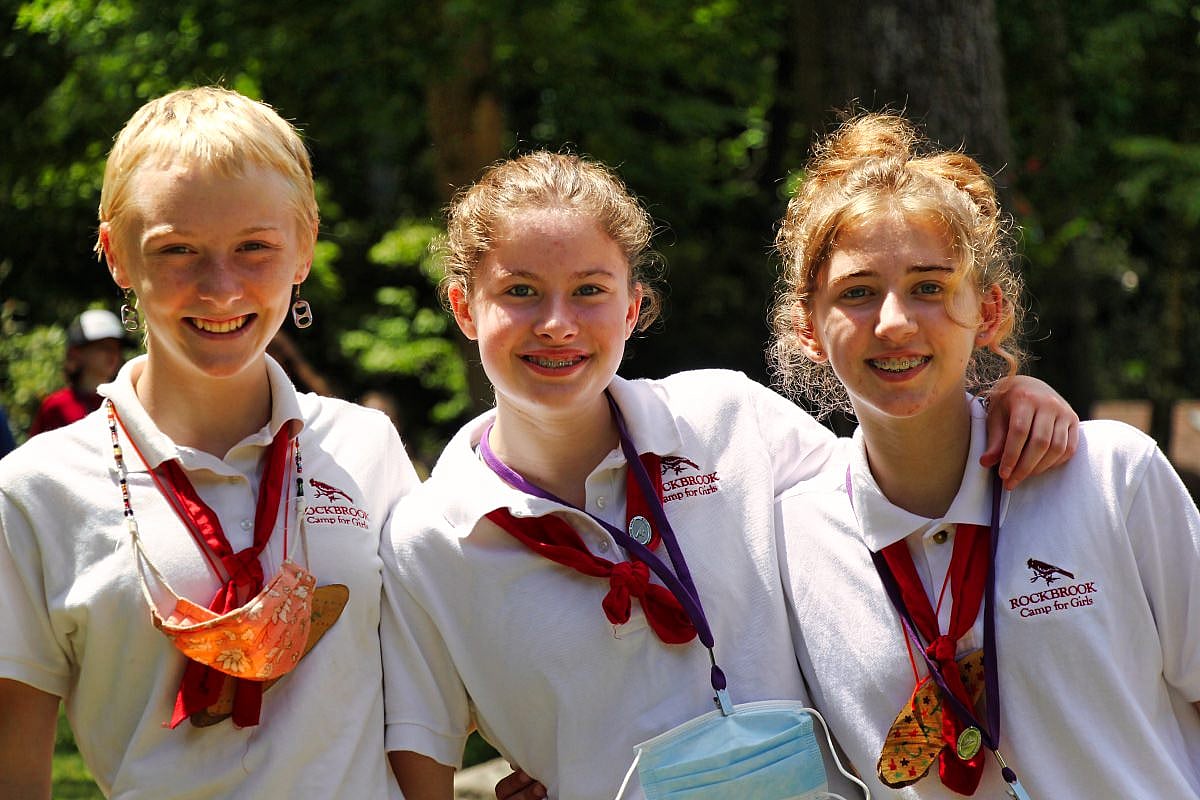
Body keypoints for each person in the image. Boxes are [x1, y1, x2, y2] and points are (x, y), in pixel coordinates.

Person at [379, 151, 1077, 800]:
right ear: (464, 308)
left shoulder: (730, 420)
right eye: (521, 292)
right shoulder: (428, 539)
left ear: (632, 306)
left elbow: (892, 485)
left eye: (589, 289)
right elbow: (421, 748)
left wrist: (1002, 399)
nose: (557, 324)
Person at [0, 86, 419, 799]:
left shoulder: (366, 447)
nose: (221, 289)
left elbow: (430, 694)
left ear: (305, 246)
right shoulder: (36, 490)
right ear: (116, 255)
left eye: (254, 247)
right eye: (178, 250)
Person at [771, 112, 1200, 797]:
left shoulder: (1111, 475)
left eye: (929, 287)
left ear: (989, 312)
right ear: (809, 328)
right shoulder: (790, 540)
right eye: (857, 293)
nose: (894, 323)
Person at [27, 308, 127, 436]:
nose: (113, 354)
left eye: (117, 348)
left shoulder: (125, 402)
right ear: (76, 353)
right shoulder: (56, 407)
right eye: (104, 347)